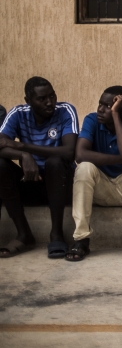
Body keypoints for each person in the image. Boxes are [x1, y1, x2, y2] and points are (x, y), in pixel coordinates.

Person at [0, 77, 78, 259]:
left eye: (52, 96)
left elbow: (69, 151)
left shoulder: (65, 110)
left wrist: (23, 147)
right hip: (31, 181)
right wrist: (23, 156)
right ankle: (23, 233)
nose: (50, 102)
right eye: (42, 99)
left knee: (55, 161)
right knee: (1, 166)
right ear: (28, 101)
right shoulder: (18, 113)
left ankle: (56, 233)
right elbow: (1, 142)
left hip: (61, 185)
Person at [67, 86, 122, 262]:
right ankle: (81, 239)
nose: (100, 110)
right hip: (99, 188)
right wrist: (120, 158)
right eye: (100, 104)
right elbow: (80, 155)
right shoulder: (92, 120)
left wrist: (116, 116)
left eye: (108, 106)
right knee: (84, 167)